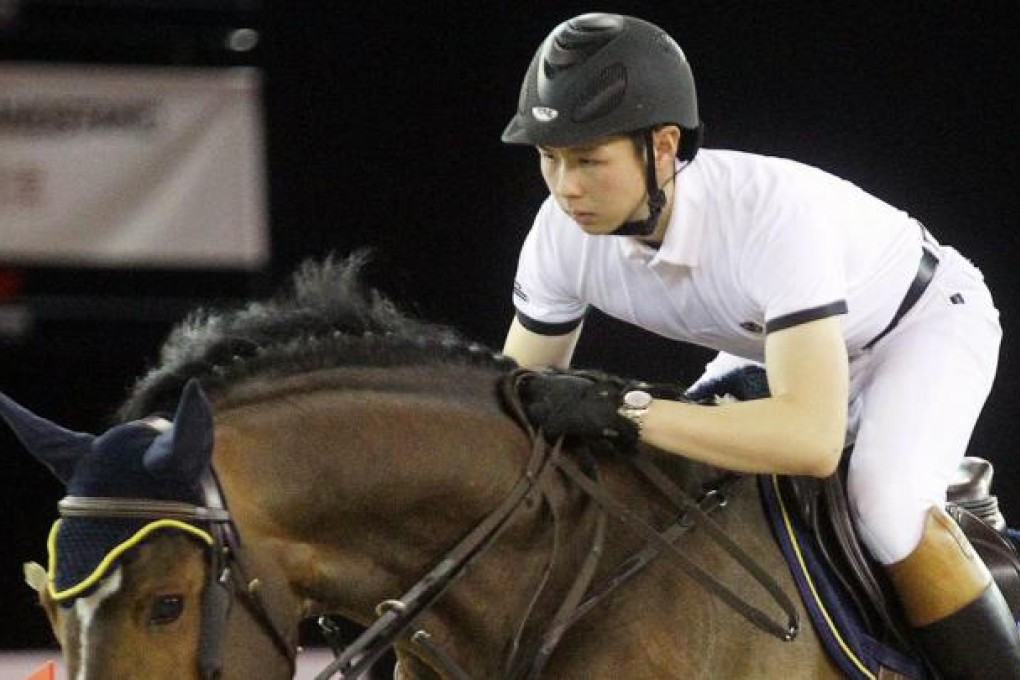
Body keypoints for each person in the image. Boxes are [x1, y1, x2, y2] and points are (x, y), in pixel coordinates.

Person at [499, 12, 1019, 679]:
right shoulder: (557, 235)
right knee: (673, 484)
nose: (566, 187)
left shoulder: (770, 215)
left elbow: (811, 440)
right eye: (550, 158)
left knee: (884, 505)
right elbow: (519, 401)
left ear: (662, 148)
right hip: (778, 344)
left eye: (589, 160)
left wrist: (624, 410)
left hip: (919, 326)